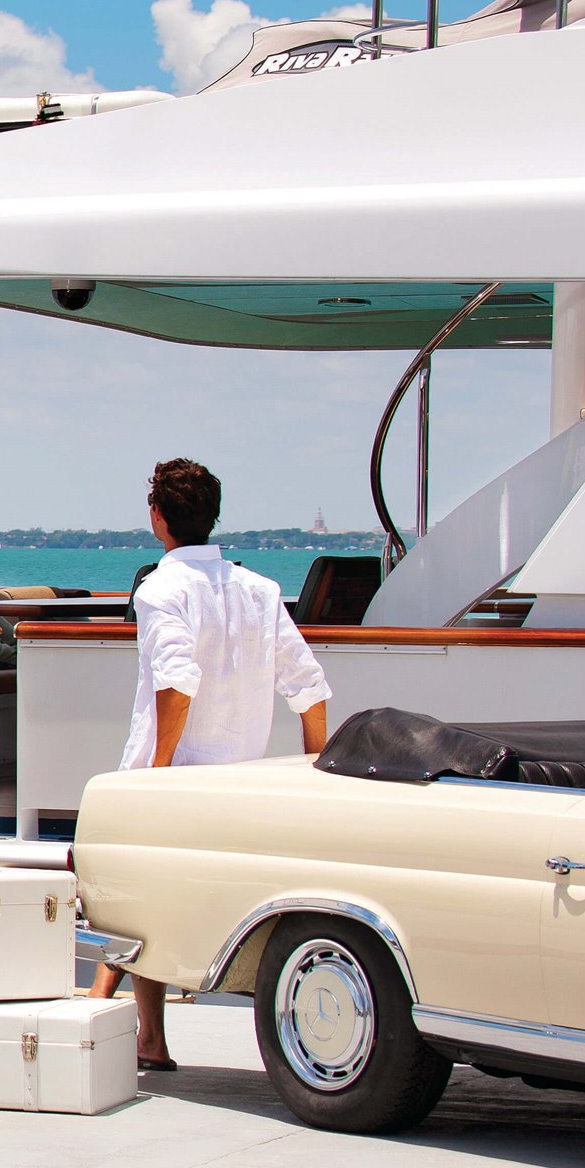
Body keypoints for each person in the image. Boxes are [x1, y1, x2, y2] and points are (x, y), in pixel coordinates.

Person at [93, 458, 333, 1071]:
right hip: (240, 783)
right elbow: (308, 687)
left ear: (157, 518)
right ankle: (131, 1029)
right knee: (152, 905)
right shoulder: (261, 590)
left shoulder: (160, 590)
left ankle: (137, 1033)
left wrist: (159, 772)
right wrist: (315, 772)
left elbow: (177, 681)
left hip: (174, 780)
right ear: (213, 515)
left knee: (133, 903)